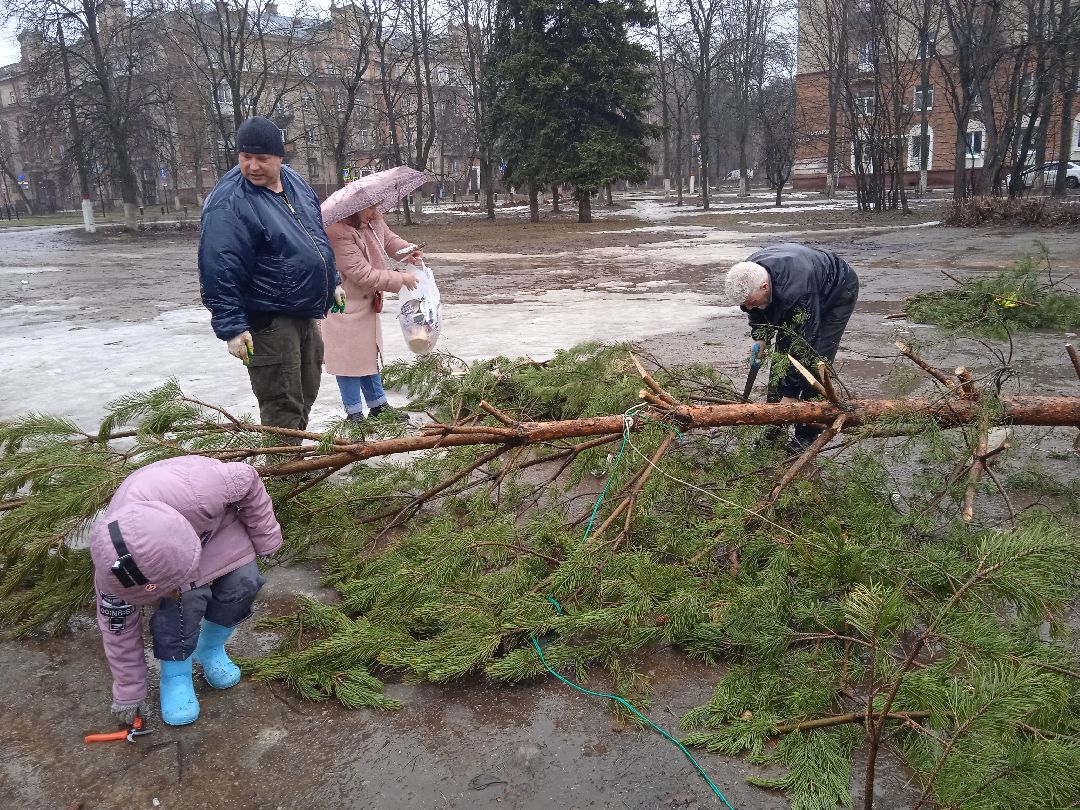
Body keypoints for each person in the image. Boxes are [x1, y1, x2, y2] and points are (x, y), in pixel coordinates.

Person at [89, 456, 283, 727]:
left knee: (244, 581)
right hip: (158, 545)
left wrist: (266, 537)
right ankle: (176, 674)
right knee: (184, 601)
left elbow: (247, 478)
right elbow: (118, 629)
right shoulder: (113, 570)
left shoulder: (200, 491)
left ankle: (210, 648)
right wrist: (128, 692)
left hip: (213, 528)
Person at [199, 115, 344, 438]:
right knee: (281, 403)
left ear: (280, 156)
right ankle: (283, 467)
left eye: (262, 158)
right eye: (245, 157)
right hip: (268, 320)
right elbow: (219, 267)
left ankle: (293, 456)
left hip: (303, 310)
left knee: (306, 390)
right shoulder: (230, 202)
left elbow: (314, 236)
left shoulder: (294, 183)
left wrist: (331, 280)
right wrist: (232, 326)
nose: (252, 166)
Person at [724, 243, 860, 451]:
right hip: (802, 287)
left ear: (764, 287)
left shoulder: (798, 292)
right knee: (781, 359)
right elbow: (757, 310)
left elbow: (805, 342)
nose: (748, 308)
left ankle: (806, 435)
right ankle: (775, 424)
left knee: (816, 360)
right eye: (744, 306)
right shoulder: (749, 271)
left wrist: (791, 392)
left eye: (751, 302)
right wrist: (761, 337)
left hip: (837, 291)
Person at [322, 204, 422, 422]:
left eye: (375, 206)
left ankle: (378, 405)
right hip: (344, 304)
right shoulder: (336, 230)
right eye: (368, 208)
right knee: (347, 359)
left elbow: (388, 239)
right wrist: (400, 279)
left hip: (366, 301)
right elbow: (361, 273)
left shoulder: (373, 218)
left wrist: (408, 251)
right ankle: (354, 412)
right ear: (353, 207)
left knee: (368, 354)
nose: (373, 211)